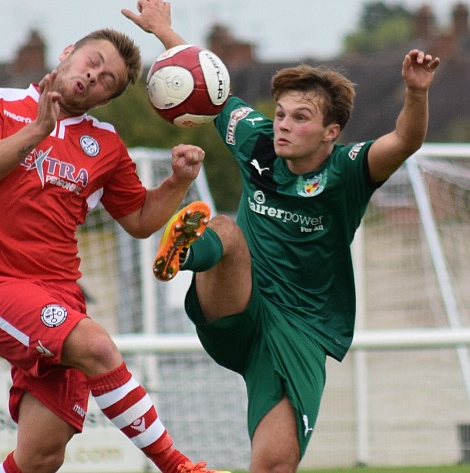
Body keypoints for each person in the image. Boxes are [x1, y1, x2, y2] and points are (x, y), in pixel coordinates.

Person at [123, 1, 441, 472]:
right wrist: (166, 33)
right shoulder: (256, 138)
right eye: (283, 114)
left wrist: (415, 93)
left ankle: (191, 247)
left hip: (301, 329)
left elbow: (406, 141)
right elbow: (206, 87)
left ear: (331, 132)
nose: (284, 126)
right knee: (226, 229)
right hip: (238, 305)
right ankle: (185, 251)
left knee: (275, 464)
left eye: (300, 118)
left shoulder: (349, 171)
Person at [0, 27, 224, 473]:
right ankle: (178, 466)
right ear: (68, 53)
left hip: (60, 296)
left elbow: (138, 219)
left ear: (105, 99)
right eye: (92, 62)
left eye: (107, 81)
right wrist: (39, 129)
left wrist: (177, 182)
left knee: (41, 457)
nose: (93, 76)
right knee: (98, 347)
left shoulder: (106, 145)